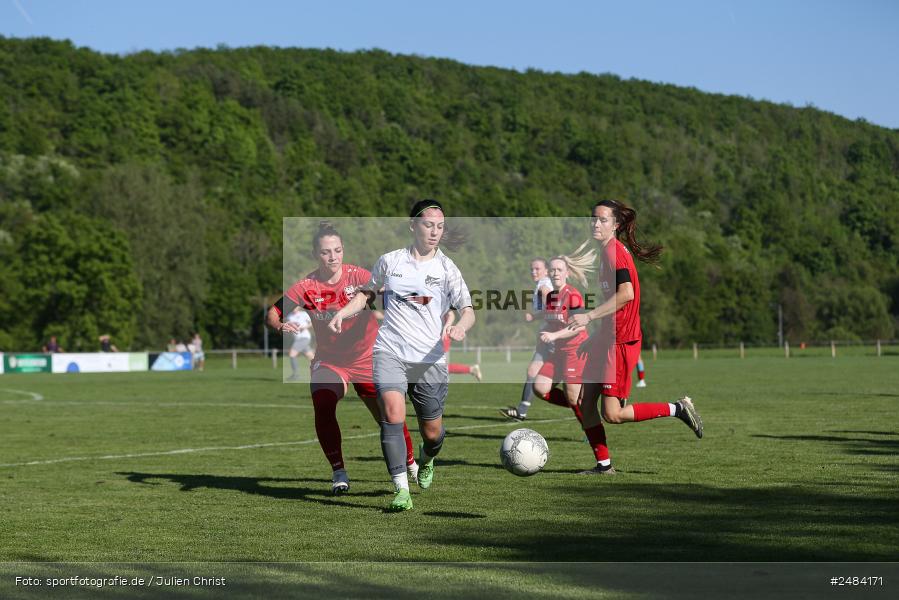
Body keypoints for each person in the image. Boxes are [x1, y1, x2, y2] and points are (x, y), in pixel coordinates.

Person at [329, 199, 475, 512]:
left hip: (429, 358)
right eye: (428, 224)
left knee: (432, 432)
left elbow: (468, 309)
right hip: (389, 350)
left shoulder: (447, 268)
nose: (434, 231)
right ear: (413, 226)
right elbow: (369, 292)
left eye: (439, 226)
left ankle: (428, 456)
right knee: (392, 415)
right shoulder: (390, 261)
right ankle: (401, 490)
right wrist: (345, 311)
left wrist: (462, 325)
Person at [267, 221, 419, 495]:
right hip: (331, 361)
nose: (333, 257)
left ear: (343, 251)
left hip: (367, 359)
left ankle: (409, 462)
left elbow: (388, 291)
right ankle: (338, 471)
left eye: (337, 250)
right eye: (326, 252)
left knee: (389, 416)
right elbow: (273, 313)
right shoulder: (306, 286)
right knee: (323, 402)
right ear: (316, 254)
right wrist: (279, 325)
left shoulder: (358, 276)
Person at [567, 200, 702, 476]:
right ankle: (603, 465)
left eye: (602, 220)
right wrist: (596, 336)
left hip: (620, 342)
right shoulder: (607, 251)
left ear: (615, 225)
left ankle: (677, 409)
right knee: (584, 403)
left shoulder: (613, 252)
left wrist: (589, 317)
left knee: (613, 414)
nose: (595, 224)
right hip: (608, 337)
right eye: (593, 218)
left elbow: (626, 294)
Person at [528, 248, 595, 425]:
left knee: (573, 398)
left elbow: (579, 327)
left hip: (575, 351)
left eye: (559, 270)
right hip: (558, 351)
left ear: (567, 273)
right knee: (540, 388)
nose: (555, 273)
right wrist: (535, 318)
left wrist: (554, 335)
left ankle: (591, 426)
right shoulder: (551, 297)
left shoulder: (573, 295)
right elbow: (552, 317)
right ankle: (587, 406)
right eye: (552, 269)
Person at [500, 258, 553, 420]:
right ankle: (521, 412)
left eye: (537, 269)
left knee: (566, 384)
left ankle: (586, 410)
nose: (533, 272)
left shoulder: (544, 287)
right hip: (545, 337)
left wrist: (534, 317)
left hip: (553, 339)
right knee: (532, 371)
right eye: (532, 269)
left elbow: (552, 310)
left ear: (546, 271)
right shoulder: (541, 285)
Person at [285, 307, 314, 381]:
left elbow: (311, 323)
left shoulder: (304, 314)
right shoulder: (289, 316)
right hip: (297, 339)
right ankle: (321, 372)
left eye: (295, 306)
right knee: (312, 358)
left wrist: (304, 327)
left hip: (304, 337)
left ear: (298, 307)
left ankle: (296, 375)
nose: (294, 308)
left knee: (292, 354)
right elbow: (288, 326)